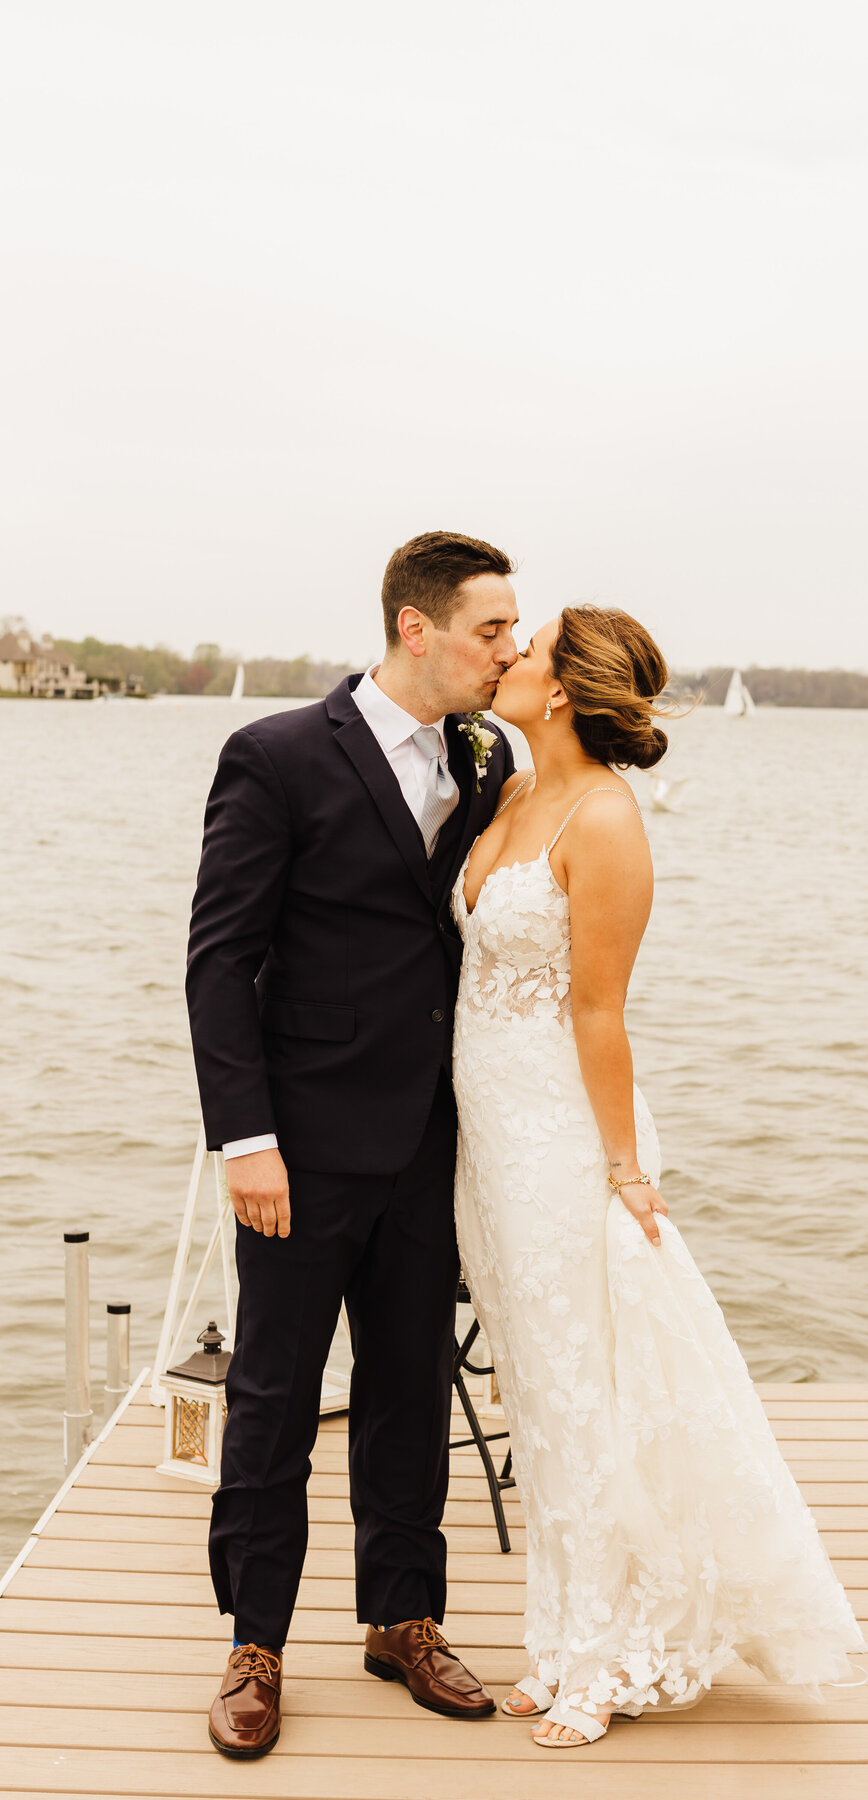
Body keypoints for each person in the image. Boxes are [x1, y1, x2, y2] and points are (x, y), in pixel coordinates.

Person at [452, 605, 868, 1749]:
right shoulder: (504, 791)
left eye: (525, 652)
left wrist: (623, 1167)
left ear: (567, 690)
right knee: (535, 1392)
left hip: (558, 1137)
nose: (506, 658)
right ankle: (556, 1635)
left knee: (586, 1392)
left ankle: (607, 1654)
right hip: (482, 1139)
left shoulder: (606, 819)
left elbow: (598, 1010)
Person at [186, 530, 520, 1757]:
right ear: (414, 627)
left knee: (408, 1392)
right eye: (491, 628)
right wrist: (245, 1138)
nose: (510, 647)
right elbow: (220, 960)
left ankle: (404, 1620)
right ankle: (255, 1643)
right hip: (303, 1144)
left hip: (433, 1141)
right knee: (272, 1397)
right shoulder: (275, 756)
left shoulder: (487, 759)